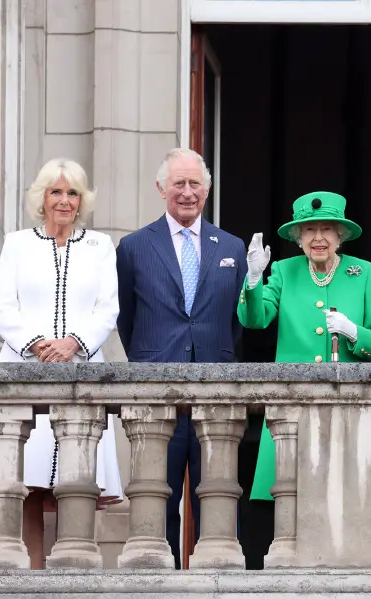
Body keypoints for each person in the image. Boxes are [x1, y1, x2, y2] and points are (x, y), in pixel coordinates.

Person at [0, 158, 123, 569]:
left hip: (81, 372)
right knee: (28, 480)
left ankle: (73, 576)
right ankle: (33, 577)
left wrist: (72, 343)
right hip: (26, 370)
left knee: (75, 482)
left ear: (82, 200)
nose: (64, 200)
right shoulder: (17, 243)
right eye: (56, 191)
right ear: (42, 198)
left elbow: (106, 309)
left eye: (72, 192)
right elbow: (3, 308)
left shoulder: (99, 246)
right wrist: (38, 343)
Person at [115, 148, 247, 569]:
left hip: (216, 393)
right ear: (161, 189)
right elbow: (126, 317)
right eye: (179, 184)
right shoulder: (134, 247)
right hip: (156, 394)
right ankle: (159, 585)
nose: (187, 193)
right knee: (156, 502)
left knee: (217, 501)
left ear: (207, 190)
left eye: (195, 184)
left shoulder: (231, 246)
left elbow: (238, 320)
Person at [239, 191, 371, 503]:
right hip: (292, 407)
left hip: (346, 407)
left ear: (341, 235)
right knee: (289, 499)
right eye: (309, 230)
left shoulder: (364, 273)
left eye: (327, 229)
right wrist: (254, 279)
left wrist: (353, 331)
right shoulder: (284, 270)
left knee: (344, 501)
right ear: (298, 237)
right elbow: (255, 319)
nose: (318, 238)